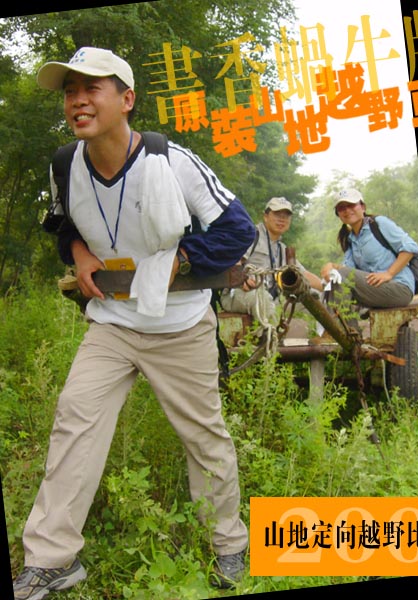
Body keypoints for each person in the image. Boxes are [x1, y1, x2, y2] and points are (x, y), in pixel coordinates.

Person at [12, 46, 255, 599]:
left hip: (180, 324)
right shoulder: (64, 164)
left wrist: (181, 258)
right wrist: (78, 253)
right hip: (113, 324)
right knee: (75, 421)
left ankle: (227, 542)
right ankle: (52, 559)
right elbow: (64, 225)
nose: (77, 100)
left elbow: (237, 229)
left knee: (204, 435)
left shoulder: (172, 161)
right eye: (70, 91)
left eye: (90, 88)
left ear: (126, 100)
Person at [220, 197, 323, 324]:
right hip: (240, 293)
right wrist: (242, 279)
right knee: (263, 300)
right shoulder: (250, 236)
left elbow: (304, 274)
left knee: (314, 297)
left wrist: (326, 286)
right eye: (277, 214)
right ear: (266, 216)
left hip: (272, 298)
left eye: (286, 216)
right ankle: (270, 336)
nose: (282, 219)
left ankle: (325, 334)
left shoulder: (282, 249)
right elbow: (230, 259)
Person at [320, 188, 418, 313]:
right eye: (341, 208)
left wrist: (388, 273)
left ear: (363, 207)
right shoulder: (350, 239)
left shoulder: (379, 223)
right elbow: (348, 270)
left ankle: (339, 323)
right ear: (338, 214)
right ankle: (343, 324)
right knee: (334, 280)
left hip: (399, 288)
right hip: (374, 289)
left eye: (351, 205)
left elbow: (410, 247)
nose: (347, 210)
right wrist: (331, 266)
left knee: (341, 275)